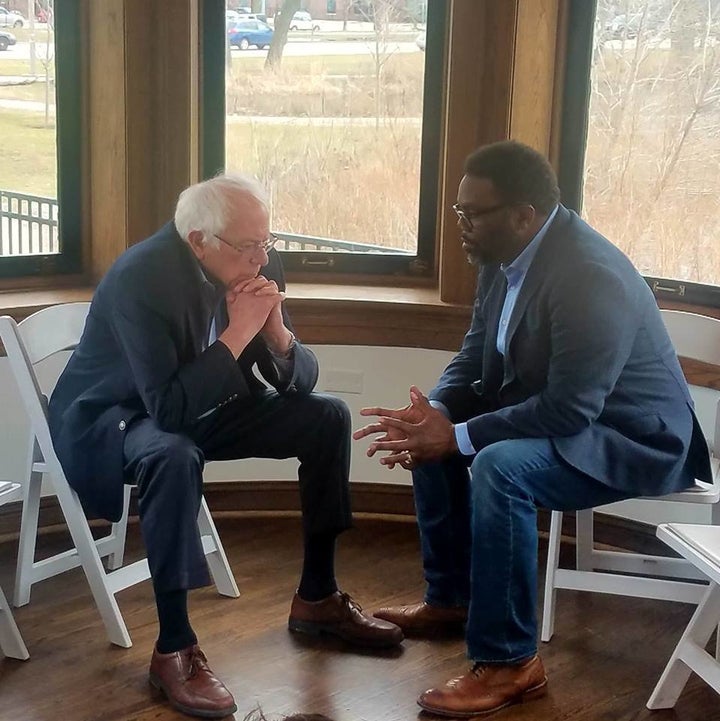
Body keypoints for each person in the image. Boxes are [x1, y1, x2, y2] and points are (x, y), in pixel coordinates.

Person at [353, 141, 712, 717]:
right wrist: (438, 412)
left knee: (499, 465)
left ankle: (510, 661)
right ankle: (451, 601)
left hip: (633, 439)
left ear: (526, 214)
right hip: (569, 419)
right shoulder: (504, 256)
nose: (462, 227)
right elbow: (475, 355)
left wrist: (462, 436)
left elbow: (571, 409)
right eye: (458, 212)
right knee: (434, 440)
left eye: (474, 214)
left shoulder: (589, 275)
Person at [48, 173, 403, 719]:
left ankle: (318, 597)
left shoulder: (254, 258)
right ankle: (174, 648)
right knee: (172, 453)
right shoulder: (141, 277)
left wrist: (278, 332)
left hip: (198, 402)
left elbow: (296, 380)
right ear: (199, 242)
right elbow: (165, 410)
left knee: (326, 416)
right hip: (117, 415)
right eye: (249, 246)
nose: (262, 259)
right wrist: (238, 332)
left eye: (268, 242)